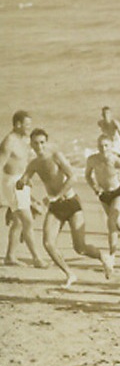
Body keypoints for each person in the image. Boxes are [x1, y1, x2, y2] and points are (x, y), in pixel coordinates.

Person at [16, 128, 114, 285]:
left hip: (71, 202)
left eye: (42, 142)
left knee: (80, 248)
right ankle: (70, 274)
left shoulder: (56, 156)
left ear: (46, 142)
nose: (39, 146)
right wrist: (24, 192)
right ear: (31, 145)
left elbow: (73, 177)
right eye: (35, 143)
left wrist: (57, 195)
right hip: (55, 207)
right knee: (48, 243)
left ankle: (103, 257)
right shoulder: (33, 164)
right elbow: (22, 182)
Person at [84, 133, 120, 254]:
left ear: (111, 147)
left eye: (106, 146)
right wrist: (95, 187)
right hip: (103, 195)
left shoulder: (116, 161)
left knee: (111, 222)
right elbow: (87, 176)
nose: (104, 149)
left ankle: (112, 254)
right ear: (97, 147)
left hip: (117, 193)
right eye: (101, 146)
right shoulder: (92, 160)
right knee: (119, 226)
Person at [1, 110, 43, 267]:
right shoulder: (9, 141)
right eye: (27, 125)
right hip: (11, 182)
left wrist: (27, 178)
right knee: (28, 221)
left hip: (21, 182)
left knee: (18, 221)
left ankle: (10, 256)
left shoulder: (23, 140)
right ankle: (37, 258)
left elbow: (22, 162)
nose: (29, 128)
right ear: (17, 124)